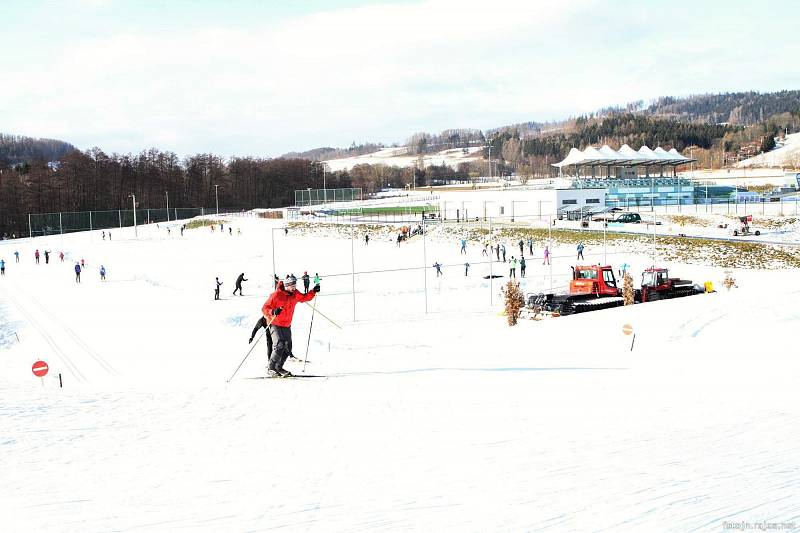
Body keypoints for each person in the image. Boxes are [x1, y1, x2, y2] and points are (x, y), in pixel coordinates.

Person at [261, 275, 319, 377]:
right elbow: (264, 308)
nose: (294, 287)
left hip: (286, 324)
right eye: (292, 285)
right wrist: (273, 311)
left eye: (295, 285)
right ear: (287, 285)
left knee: (288, 348)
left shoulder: (295, 294)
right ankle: (271, 368)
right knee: (279, 344)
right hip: (275, 323)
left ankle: (279, 367)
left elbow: (305, 297)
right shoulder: (276, 295)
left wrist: (313, 291)